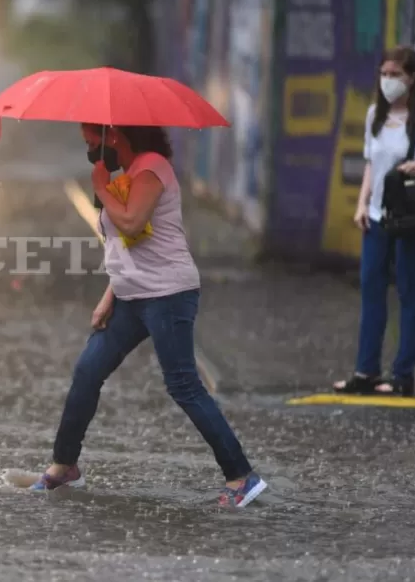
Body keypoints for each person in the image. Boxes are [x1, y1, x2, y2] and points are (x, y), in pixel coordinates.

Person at [30, 123, 267, 508]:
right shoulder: (126, 174)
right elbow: (128, 247)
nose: (89, 149)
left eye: (92, 142)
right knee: (87, 371)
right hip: (130, 297)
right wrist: (110, 295)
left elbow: (131, 222)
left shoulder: (152, 168)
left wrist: (101, 185)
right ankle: (64, 465)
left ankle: (241, 476)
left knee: (183, 385)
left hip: (168, 295)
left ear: (114, 136)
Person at [333, 46, 415, 397]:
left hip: (413, 219)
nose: (388, 81)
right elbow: (371, 165)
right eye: (384, 74)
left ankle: (402, 375)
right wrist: (362, 205)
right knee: (372, 292)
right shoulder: (376, 113)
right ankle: (366, 371)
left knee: (410, 293)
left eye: (396, 75)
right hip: (378, 217)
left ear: (412, 78)